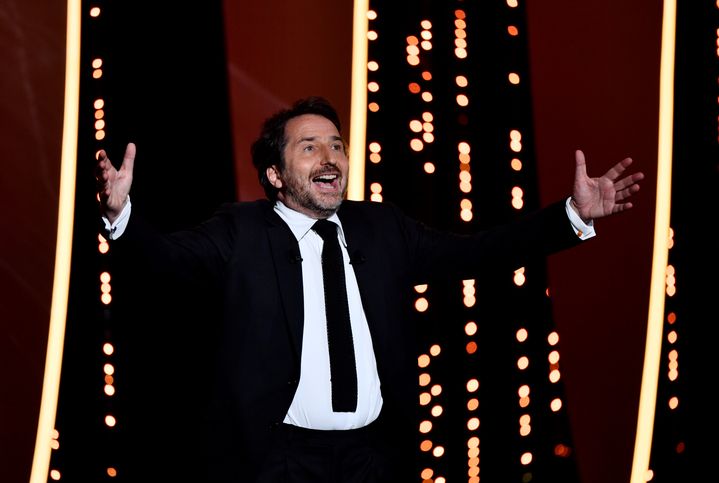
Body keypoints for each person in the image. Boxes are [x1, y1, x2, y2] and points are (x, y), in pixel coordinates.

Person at [95, 96, 643, 483]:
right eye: (309, 148)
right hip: (277, 459)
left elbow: (477, 251)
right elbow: (165, 261)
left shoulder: (383, 228)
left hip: (374, 457)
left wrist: (571, 216)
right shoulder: (241, 231)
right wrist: (122, 215)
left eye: (336, 145)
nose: (329, 157)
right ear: (275, 175)